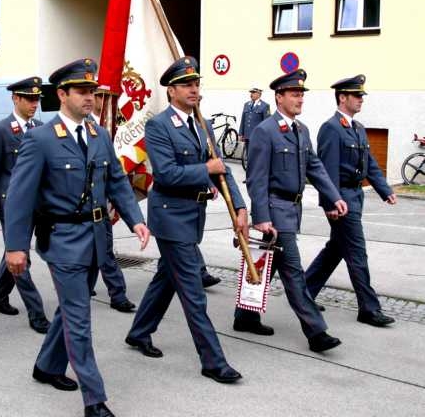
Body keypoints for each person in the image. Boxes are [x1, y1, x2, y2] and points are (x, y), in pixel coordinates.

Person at [4, 58, 150, 417]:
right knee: (80, 319)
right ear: (63, 94)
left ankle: (47, 366)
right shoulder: (40, 140)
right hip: (63, 240)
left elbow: (116, 180)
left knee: (71, 310)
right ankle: (94, 400)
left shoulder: (99, 134)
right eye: (83, 92)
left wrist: (135, 220)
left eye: (94, 92)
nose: (91, 98)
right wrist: (15, 247)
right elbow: (20, 197)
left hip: (97, 238)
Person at [125, 56, 247, 384]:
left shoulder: (201, 124)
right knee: (193, 290)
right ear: (172, 91)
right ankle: (213, 361)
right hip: (170, 217)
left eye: (197, 84)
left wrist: (240, 207)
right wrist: (206, 170)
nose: (194, 90)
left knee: (167, 277)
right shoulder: (159, 125)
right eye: (187, 85)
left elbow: (222, 169)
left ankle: (139, 332)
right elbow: (165, 174)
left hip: (194, 216)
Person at [232, 69, 348, 353]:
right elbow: (256, 177)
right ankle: (316, 332)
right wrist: (261, 217)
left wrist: (334, 196)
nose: (300, 99)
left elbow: (315, 167)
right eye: (295, 94)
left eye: (302, 94)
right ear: (279, 97)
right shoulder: (265, 131)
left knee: (269, 267)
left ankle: (245, 317)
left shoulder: (301, 130)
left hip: (291, 210)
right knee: (294, 272)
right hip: (275, 210)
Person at [305, 74, 396, 327]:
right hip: (341, 199)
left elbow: (370, 165)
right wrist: (330, 203)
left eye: (361, 96)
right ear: (342, 97)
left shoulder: (357, 128)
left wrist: (384, 189)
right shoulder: (331, 128)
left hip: (355, 196)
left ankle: (304, 293)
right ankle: (368, 308)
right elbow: (326, 170)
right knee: (357, 252)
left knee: (336, 249)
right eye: (356, 96)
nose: (361, 100)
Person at [0, 77, 50, 333]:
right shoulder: (0, 131)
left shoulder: (41, 128)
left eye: (37, 99)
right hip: (11, 205)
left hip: (37, 204)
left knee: (13, 251)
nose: (34, 104)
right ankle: (37, 313)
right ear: (15, 98)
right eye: (29, 99)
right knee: (21, 257)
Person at [88, 93, 137, 312]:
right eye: (98, 96)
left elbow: (114, 173)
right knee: (92, 253)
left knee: (104, 251)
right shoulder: (86, 125)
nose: (98, 100)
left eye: (96, 95)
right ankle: (84, 288)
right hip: (77, 211)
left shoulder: (107, 128)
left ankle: (118, 294)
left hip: (100, 203)